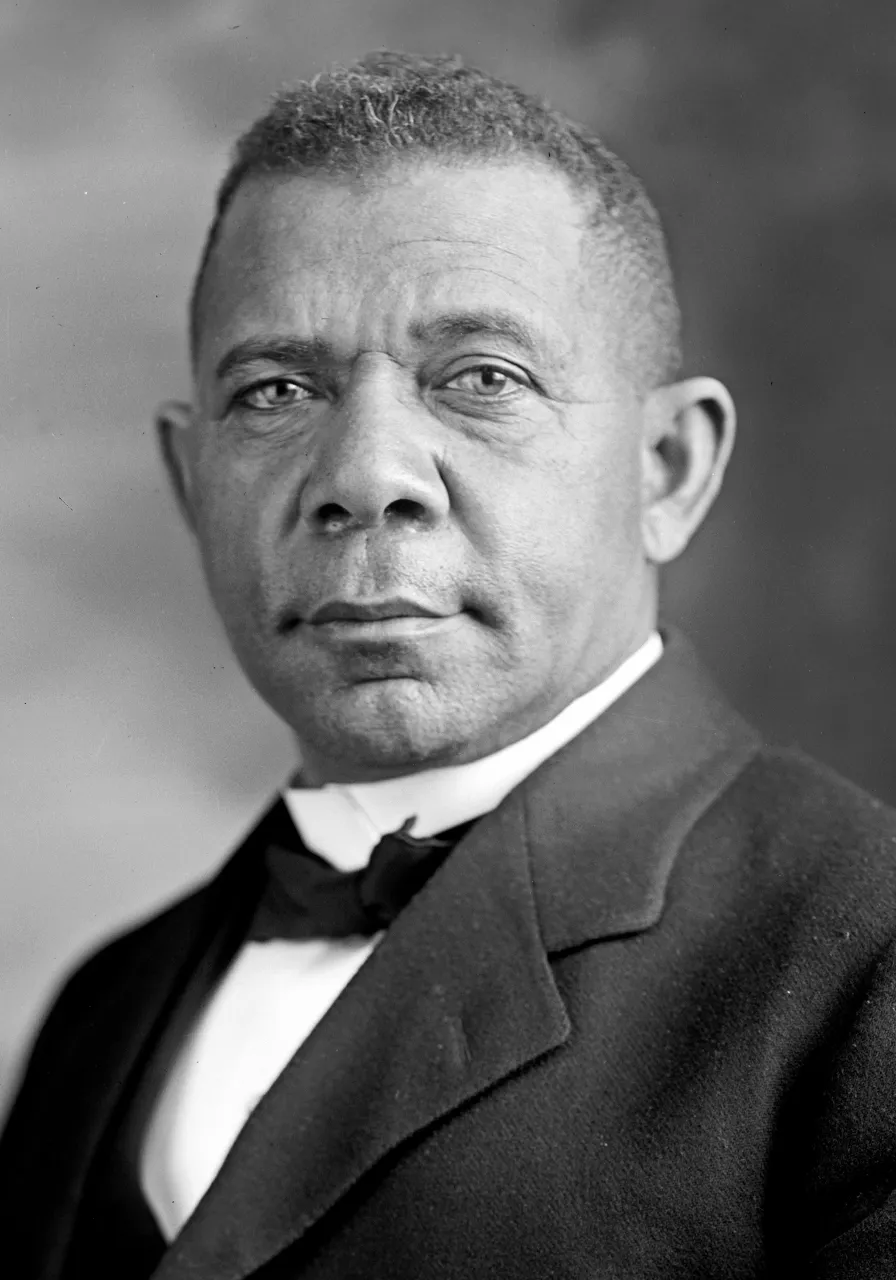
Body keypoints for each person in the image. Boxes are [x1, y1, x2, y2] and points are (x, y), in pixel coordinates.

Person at [2, 50, 895, 1280]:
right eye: (274, 390)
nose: (367, 472)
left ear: (668, 470)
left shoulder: (864, 953)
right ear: (189, 477)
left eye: (482, 378)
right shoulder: (100, 1009)